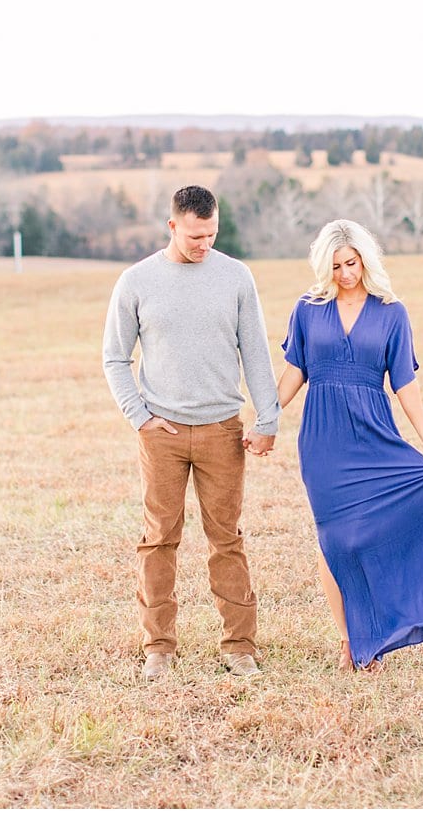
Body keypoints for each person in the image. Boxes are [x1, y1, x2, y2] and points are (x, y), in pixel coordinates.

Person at [103, 185, 280, 681]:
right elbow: (115, 357)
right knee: (160, 538)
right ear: (172, 227)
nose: (204, 244)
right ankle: (158, 647)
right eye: (196, 235)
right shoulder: (136, 281)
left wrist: (267, 420)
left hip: (223, 430)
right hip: (161, 431)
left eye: (212, 234)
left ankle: (239, 645)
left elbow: (256, 353)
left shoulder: (236, 277)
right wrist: (139, 416)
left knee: (227, 539)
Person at [277, 219, 423, 672]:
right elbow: (296, 370)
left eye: (351, 263)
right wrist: (265, 417)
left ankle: (378, 629)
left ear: (365, 260)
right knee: (333, 538)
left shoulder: (392, 312)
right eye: (335, 266)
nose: (344, 273)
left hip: (374, 432)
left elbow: (405, 383)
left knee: (368, 535)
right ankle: (349, 640)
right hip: (323, 438)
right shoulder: (308, 308)